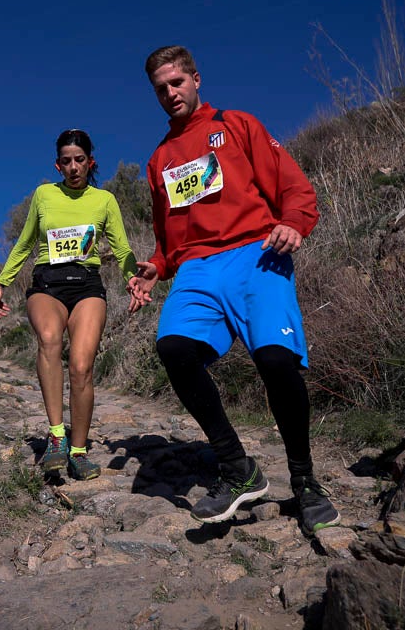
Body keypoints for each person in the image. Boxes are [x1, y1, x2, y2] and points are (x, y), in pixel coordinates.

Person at [127, 45, 340, 534]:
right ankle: (238, 468)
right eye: (160, 88)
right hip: (198, 269)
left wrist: (293, 223)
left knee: (274, 361)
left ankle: (306, 482)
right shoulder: (159, 159)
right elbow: (166, 235)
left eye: (177, 82)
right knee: (174, 349)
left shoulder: (239, 125)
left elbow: (293, 186)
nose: (170, 93)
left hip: (255, 253)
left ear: (197, 79)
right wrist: (157, 267)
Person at [0, 129, 144, 481]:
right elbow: (25, 242)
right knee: (49, 339)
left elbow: (122, 249)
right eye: (66, 161)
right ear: (57, 165)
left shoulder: (104, 200)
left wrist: (133, 278)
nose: (73, 167)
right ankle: (57, 436)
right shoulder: (44, 195)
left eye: (79, 160)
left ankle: (79, 451)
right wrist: (3, 281)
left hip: (87, 285)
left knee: (81, 366)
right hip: (47, 284)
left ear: (90, 163)